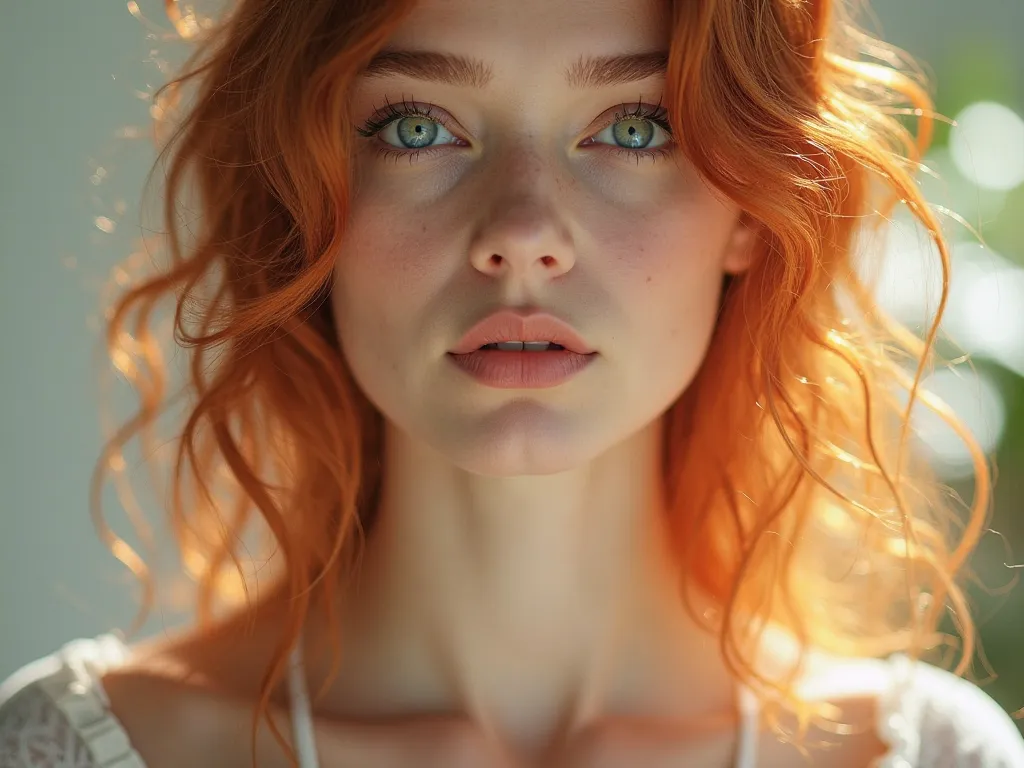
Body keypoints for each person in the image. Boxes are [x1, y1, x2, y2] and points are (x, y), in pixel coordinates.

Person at [2, 0, 1023, 765]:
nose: (523, 234)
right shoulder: (86, 748)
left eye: (631, 127)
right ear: (298, 196)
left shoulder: (925, 757)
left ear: (752, 209)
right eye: (416, 127)